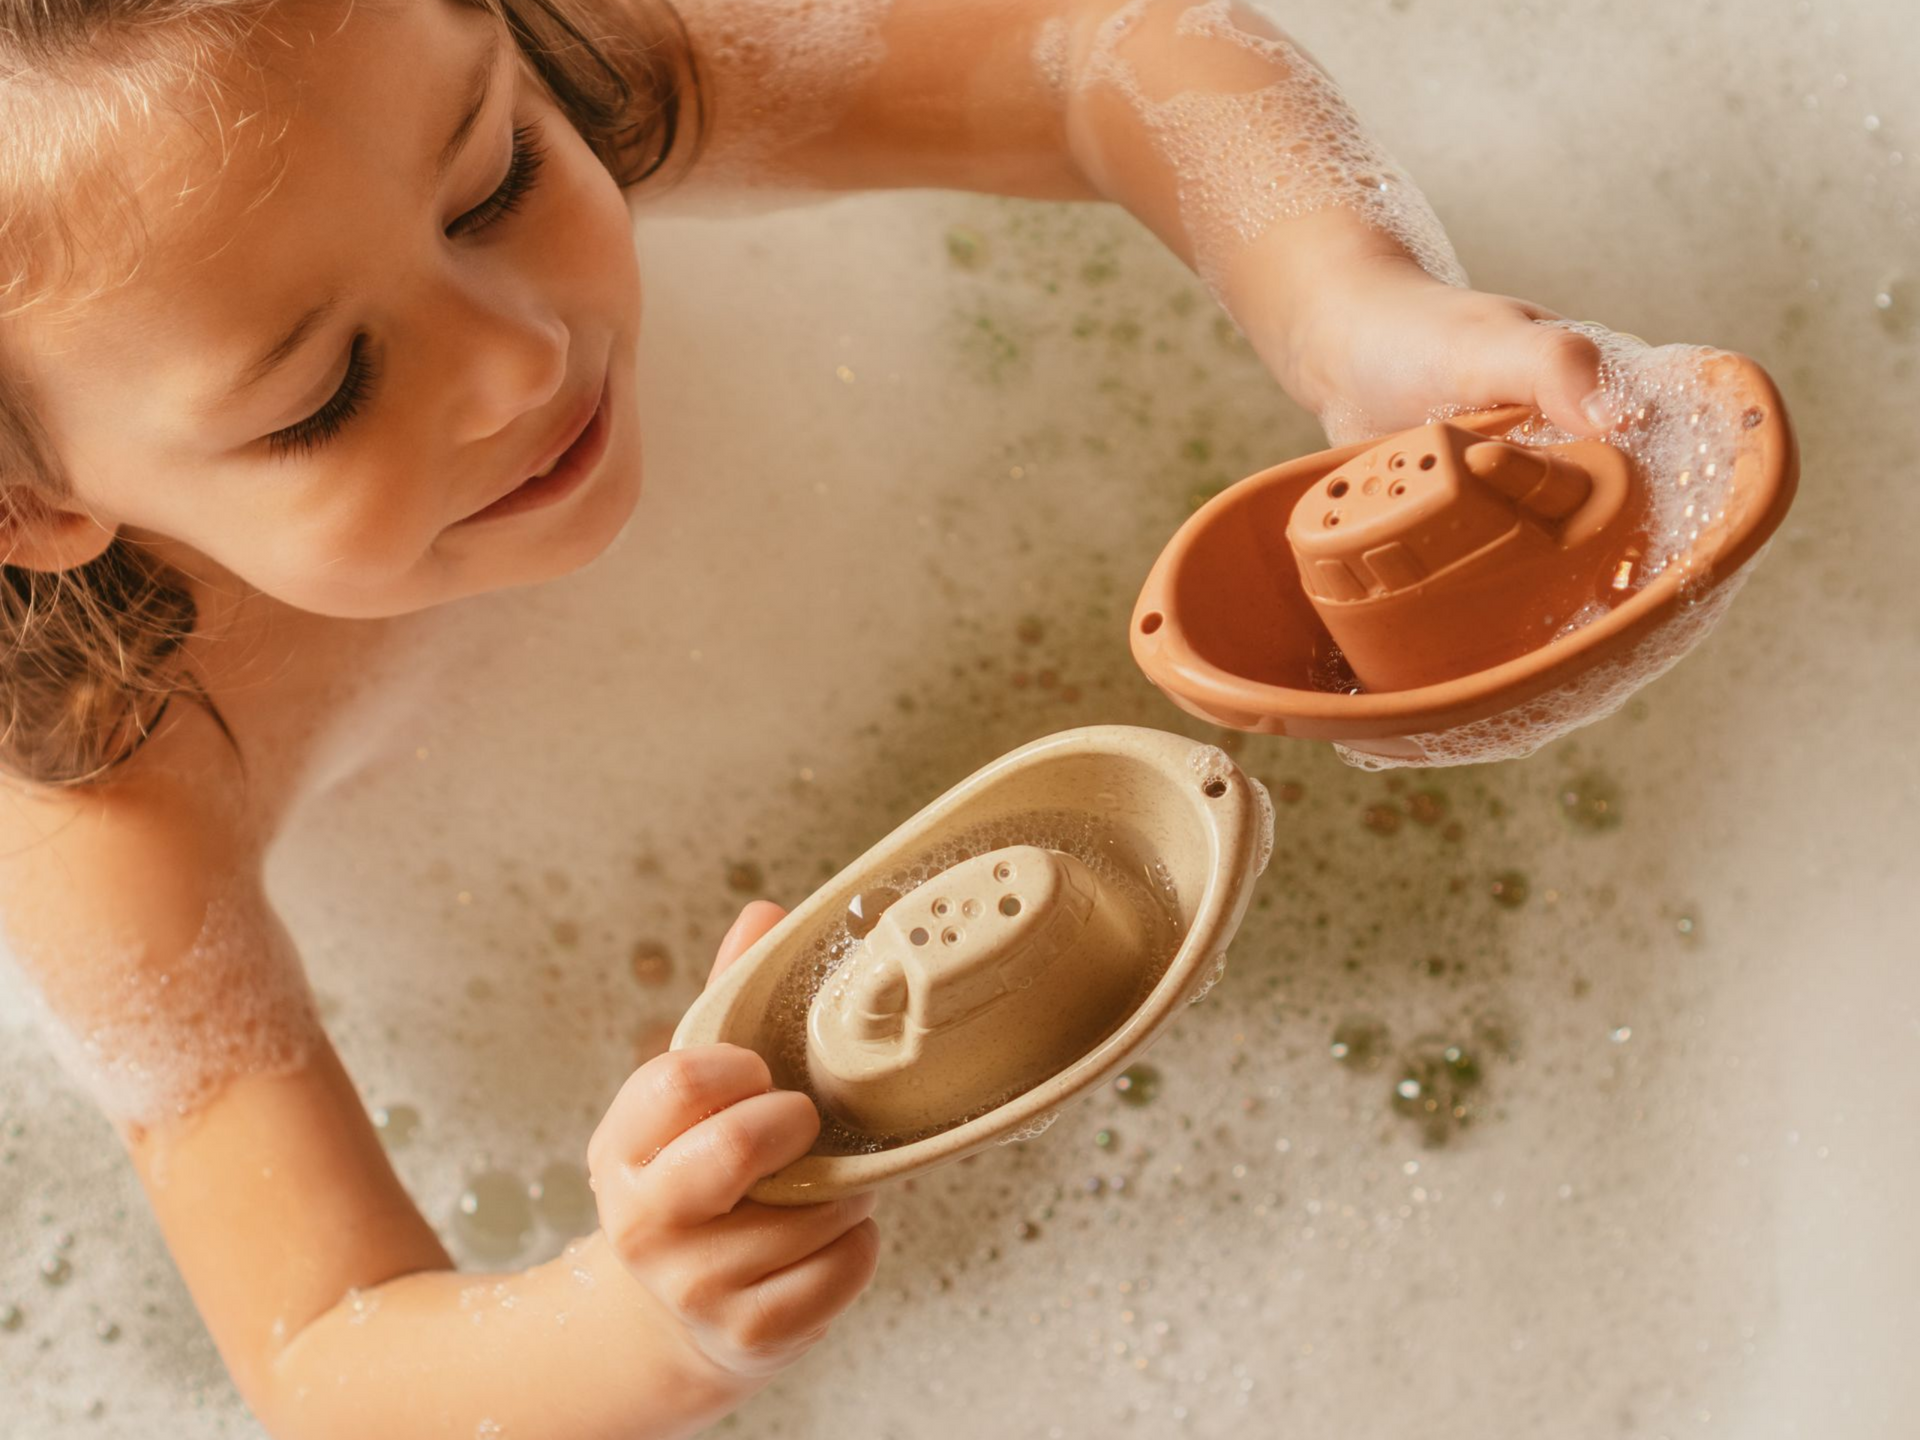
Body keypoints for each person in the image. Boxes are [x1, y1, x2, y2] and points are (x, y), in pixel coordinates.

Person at [0, 0, 1616, 1433]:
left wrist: (1347, 304)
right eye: (323, 396)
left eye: (495, 177)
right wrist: (645, 1321)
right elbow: (326, 1355)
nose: (521, 360)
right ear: (37, 499)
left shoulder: (594, 53)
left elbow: (1097, 46)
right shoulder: (114, 801)